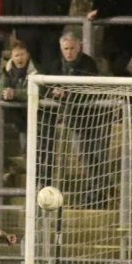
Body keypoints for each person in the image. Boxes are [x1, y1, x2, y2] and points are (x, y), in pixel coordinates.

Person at [47, 33, 108, 208]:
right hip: (72, 120)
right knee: (84, 156)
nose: (69, 52)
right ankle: (96, 193)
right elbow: (48, 88)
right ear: (61, 49)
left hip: (95, 119)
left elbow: (87, 90)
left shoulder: (88, 63)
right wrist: (55, 94)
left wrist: (66, 95)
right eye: (66, 49)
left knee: (96, 158)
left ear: (79, 47)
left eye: (72, 48)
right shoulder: (56, 65)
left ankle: (96, 194)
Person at [0, 40, 38, 153]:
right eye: (16, 55)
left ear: (27, 55)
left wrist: (15, 93)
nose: (20, 58)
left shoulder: (36, 70)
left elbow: (38, 91)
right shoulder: (7, 71)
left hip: (36, 117)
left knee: (33, 151)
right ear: (12, 57)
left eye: (22, 55)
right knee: (25, 149)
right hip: (18, 118)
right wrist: (5, 93)